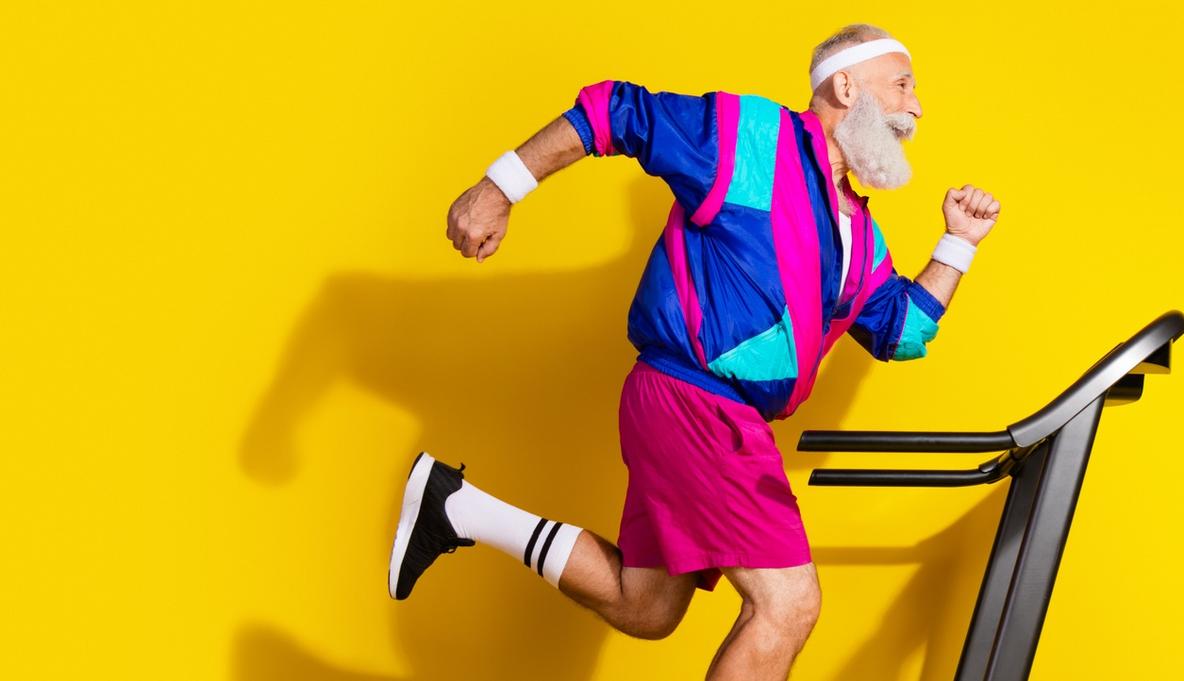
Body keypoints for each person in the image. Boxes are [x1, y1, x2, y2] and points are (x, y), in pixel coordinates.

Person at [389, 23, 1001, 680]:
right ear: (846, 86)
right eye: (903, 85)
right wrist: (499, 187)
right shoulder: (754, 138)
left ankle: (456, 505)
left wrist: (957, 243)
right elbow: (618, 110)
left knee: (645, 604)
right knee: (788, 605)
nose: (916, 108)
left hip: (701, 414)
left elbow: (901, 329)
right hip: (697, 403)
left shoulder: (861, 236)